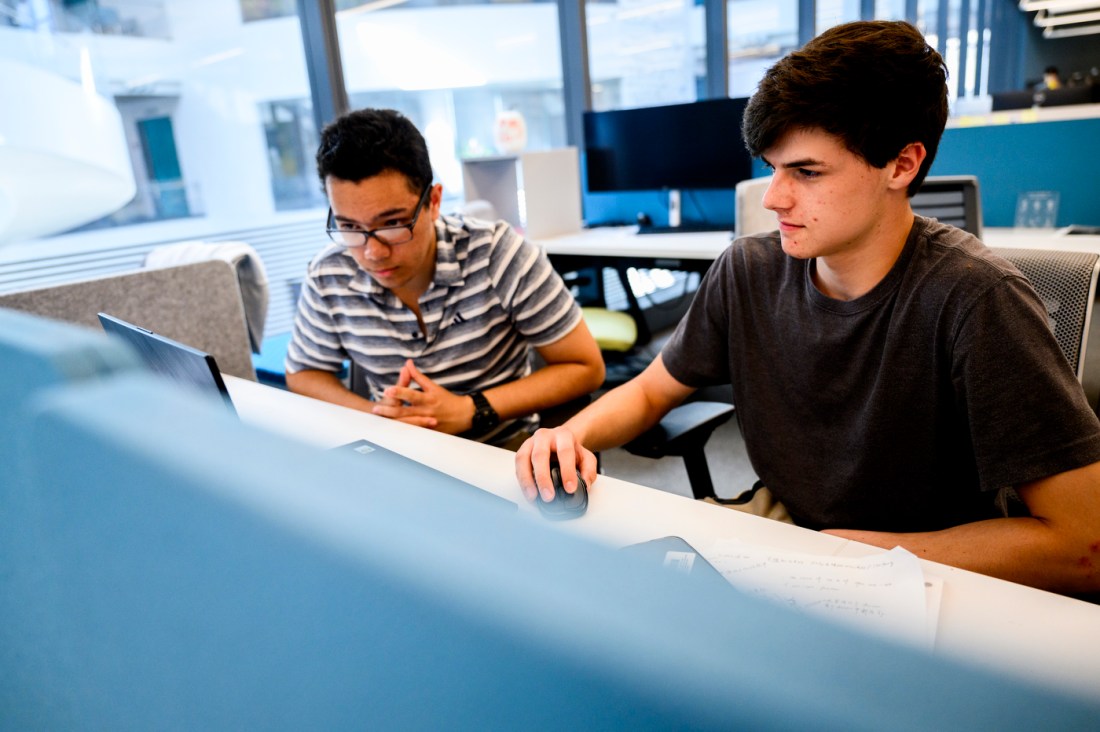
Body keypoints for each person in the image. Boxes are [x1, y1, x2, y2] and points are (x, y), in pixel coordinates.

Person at [516, 20, 1100, 596]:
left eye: (807, 172)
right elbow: (650, 392)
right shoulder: (749, 270)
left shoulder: (977, 300)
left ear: (902, 164)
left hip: (930, 566)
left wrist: (863, 556)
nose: (773, 198)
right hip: (788, 535)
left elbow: (1083, 545)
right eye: (773, 168)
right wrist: (571, 434)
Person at [286, 108, 604, 450]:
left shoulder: (498, 254)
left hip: (501, 447)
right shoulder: (328, 273)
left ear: (433, 201)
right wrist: (374, 416)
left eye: (393, 224)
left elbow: (585, 366)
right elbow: (303, 373)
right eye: (349, 227)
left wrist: (471, 409)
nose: (372, 252)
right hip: (397, 456)